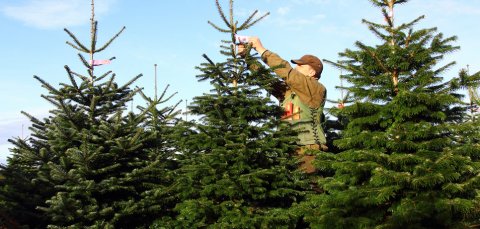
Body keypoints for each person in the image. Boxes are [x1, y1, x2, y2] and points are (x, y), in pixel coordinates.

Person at [238, 37, 327, 173]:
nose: (296, 67)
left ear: (312, 72)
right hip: (287, 149)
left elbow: (286, 72)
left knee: (311, 189)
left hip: (308, 151)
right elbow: (266, 79)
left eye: (300, 65)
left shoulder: (316, 88)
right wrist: (247, 57)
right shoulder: (289, 91)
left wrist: (261, 50)